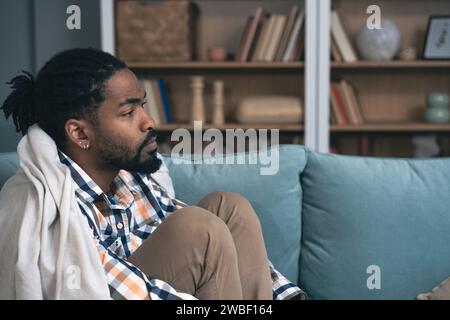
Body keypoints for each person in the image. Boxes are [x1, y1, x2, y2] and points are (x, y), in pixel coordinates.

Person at [0, 48, 305, 300]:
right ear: (80, 133)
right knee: (200, 228)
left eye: (142, 106)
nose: (149, 121)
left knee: (228, 207)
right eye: (128, 112)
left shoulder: (128, 180)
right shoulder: (53, 207)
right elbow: (131, 293)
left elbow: (171, 221)